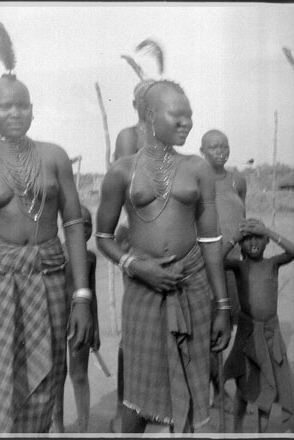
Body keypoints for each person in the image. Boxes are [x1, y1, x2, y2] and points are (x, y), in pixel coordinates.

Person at [96, 80, 231, 433]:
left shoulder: (198, 169)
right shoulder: (122, 171)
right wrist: (136, 266)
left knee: (189, 388)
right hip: (144, 289)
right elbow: (103, 237)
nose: (186, 123)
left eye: (190, 116)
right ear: (151, 115)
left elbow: (211, 239)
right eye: (178, 115)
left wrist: (222, 306)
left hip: (193, 286)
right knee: (137, 398)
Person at [0, 73, 93, 433]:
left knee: (47, 377)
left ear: (33, 111)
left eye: (22, 105)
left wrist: (82, 296)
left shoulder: (54, 157)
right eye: (5, 106)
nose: (15, 112)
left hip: (48, 279)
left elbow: (73, 225)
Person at [222, 218, 294, 433]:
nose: (253, 242)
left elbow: (293, 251)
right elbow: (217, 260)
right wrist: (235, 236)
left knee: (267, 384)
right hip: (248, 334)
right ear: (241, 245)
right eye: (248, 239)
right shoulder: (240, 266)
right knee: (244, 383)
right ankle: (236, 430)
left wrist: (269, 231)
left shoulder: (272, 264)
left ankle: (261, 433)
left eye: (258, 237)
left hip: (270, 334)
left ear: (266, 242)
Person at [110, 79, 153, 432]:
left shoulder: (164, 137)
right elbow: (126, 183)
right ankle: (126, 405)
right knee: (135, 326)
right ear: (134, 102)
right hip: (137, 238)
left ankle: (149, 401)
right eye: (143, 97)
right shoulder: (130, 136)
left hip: (161, 241)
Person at [200, 129, 247, 412]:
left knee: (230, 328)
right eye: (214, 147)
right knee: (205, 330)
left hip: (233, 268)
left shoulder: (237, 180)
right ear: (202, 150)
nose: (220, 151)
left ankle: (225, 390)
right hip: (205, 269)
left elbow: (242, 218)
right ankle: (213, 391)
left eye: (224, 146)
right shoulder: (197, 180)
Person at [51, 205, 100, 433]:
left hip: (81, 322)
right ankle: (58, 425)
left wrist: (96, 328)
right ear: (67, 227)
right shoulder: (56, 254)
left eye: (90, 225)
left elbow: (92, 295)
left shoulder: (90, 258)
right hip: (56, 320)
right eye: (82, 224)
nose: (87, 229)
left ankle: (83, 427)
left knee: (79, 374)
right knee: (57, 374)